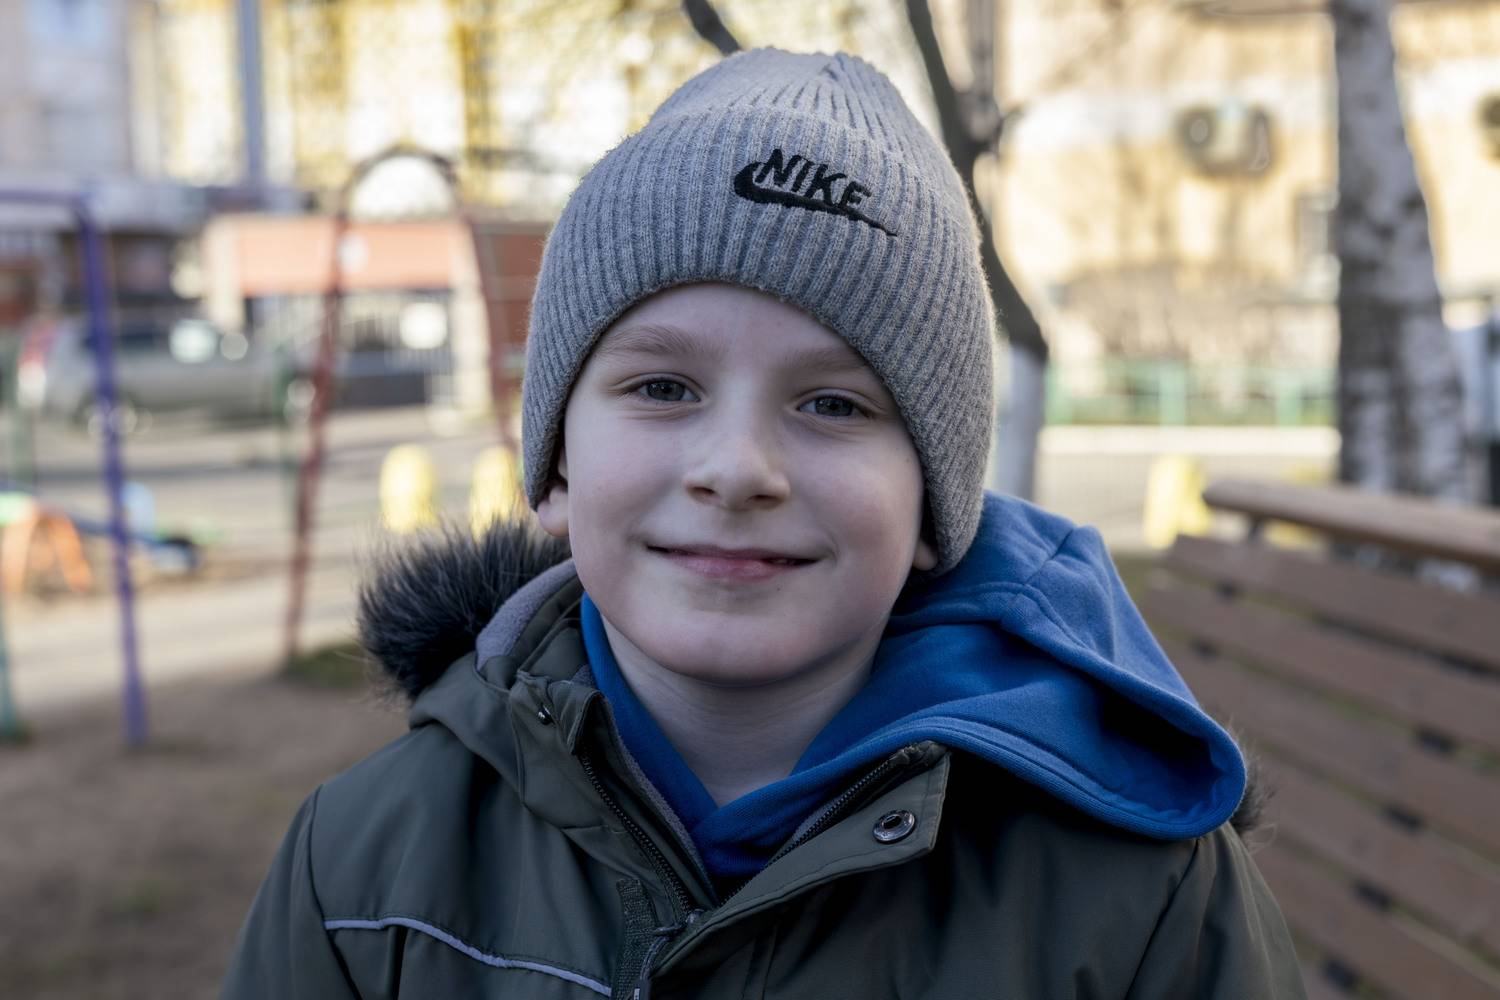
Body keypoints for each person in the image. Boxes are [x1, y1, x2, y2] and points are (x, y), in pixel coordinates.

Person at [223, 47, 1304, 998]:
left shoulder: (1140, 894)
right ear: (553, 466)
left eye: (833, 405)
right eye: (662, 388)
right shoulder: (365, 868)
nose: (738, 469)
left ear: (934, 507)